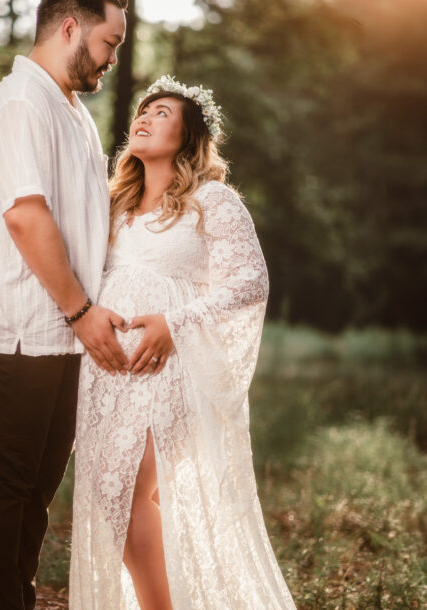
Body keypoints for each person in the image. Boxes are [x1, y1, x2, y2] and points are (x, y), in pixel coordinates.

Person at [69, 76, 297, 609]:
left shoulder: (210, 199)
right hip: (107, 374)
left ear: (189, 135)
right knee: (111, 500)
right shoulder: (112, 204)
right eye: (143, 110)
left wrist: (176, 322)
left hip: (169, 370)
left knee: (126, 497)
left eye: (163, 112)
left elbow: (250, 282)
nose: (145, 116)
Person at [0, 2, 128, 608]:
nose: (113, 58)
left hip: (65, 330)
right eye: (109, 42)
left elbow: (83, 221)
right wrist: (83, 313)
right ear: (71, 27)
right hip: (23, 324)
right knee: (10, 480)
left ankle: (16, 598)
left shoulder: (72, 109)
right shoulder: (21, 102)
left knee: (39, 485)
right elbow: (26, 218)